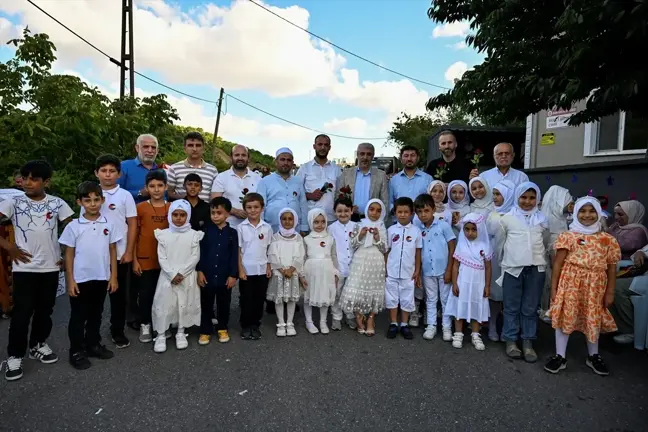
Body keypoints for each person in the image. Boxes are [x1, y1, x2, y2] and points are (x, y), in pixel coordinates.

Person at [0, 160, 74, 381]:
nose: (28, 183)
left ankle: (38, 344)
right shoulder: (14, 202)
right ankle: (14, 355)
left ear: (46, 182)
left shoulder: (57, 203)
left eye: (34, 179)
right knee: (22, 313)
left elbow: (73, 228)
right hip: (25, 268)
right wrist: (9, 246)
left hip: (50, 267)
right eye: (25, 178)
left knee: (45, 310)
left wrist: (64, 253)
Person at [545, 197, 621, 376]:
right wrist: (554, 288)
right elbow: (558, 264)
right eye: (583, 211)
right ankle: (560, 355)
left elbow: (611, 268)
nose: (587, 215)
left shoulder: (607, 240)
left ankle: (593, 356)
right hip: (570, 284)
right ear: (576, 213)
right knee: (566, 316)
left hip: (595, 287)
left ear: (599, 212)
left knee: (592, 318)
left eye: (592, 211)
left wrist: (610, 291)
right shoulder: (568, 236)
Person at [59, 182, 120, 369]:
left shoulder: (109, 224)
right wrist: (70, 280)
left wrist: (113, 276)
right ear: (79, 202)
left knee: (96, 313)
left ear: (102, 200)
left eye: (96, 199)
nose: (92, 204)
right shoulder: (74, 226)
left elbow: (112, 250)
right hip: (80, 279)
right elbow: (68, 254)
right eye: (88, 200)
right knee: (78, 316)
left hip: (101, 277)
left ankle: (93, 343)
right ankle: (76, 350)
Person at [496, 181, 548, 363]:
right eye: (523, 197)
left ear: (538, 199)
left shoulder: (542, 220)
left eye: (532, 198)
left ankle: (528, 342)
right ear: (517, 197)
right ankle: (511, 340)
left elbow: (547, 244)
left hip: (536, 269)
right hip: (513, 268)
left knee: (530, 308)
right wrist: (505, 264)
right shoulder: (507, 219)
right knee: (511, 307)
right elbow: (500, 245)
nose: (527, 201)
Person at [91, 154, 137, 349]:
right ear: (96, 173)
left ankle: (117, 331)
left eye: (112, 171)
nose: (107, 175)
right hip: (96, 255)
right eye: (103, 171)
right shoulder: (90, 194)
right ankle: (92, 335)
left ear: (118, 174)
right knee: (95, 298)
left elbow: (132, 224)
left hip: (119, 254)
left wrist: (128, 251)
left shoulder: (124, 195)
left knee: (118, 297)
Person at [151, 200, 204, 353]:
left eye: (182, 215)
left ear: (188, 217)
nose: (179, 218)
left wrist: (182, 272)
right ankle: (161, 334)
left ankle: (181, 332)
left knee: (184, 303)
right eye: (175, 215)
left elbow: (195, 256)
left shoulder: (194, 235)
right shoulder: (163, 235)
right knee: (165, 303)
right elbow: (162, 257)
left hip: (186, 276)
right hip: (168, 276)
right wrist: (172, 274)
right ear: (170, 215)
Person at [338, 199, 387, 336]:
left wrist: (377, 237)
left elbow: (384, 248)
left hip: (376, 260)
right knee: (357, 286)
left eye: (378, 210)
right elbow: (353, 244)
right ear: (367, 210)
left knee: (373, 288)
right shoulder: (359, 225)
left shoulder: (382, 226)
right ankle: (359, 315)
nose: (375, 213)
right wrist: (361, 234)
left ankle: (371, 318)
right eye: (372, 209)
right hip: (360, 260)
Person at [133, 170, 171, 344]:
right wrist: (134, 260)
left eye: (160, 186)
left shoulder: (172, 208)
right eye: (152, 186)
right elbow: (133, 235)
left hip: (166, 261)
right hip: (145, 259)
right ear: (146, 188)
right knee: (146, 294)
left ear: (166, 187)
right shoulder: (140, 208)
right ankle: (145, 324)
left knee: (164, 294)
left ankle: (162, 325)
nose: (156, 189)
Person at [445, 213, 492, 350]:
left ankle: (475, 334)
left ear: (480, 229)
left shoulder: (485, 246)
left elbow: (488, 268)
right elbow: (455, 266)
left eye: (474, 229)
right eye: (467, 229)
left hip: (478, 283)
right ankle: (458, 333)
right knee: (460, 305)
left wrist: (487, 286)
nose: (470, 233)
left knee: (477, 306)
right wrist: (454, 283)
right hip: (463, 282)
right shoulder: (461, 244)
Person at [413, 194, 456, 341]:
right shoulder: (417, 229)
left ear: (433, 209)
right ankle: (431, 325)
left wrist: (450, 269)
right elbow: (417, 251)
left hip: (443, 269)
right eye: (419, 212)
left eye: (426, 210)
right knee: (431, 299)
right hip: (427, 270)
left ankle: (446, 327)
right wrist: (418, 272)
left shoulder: (443, 225)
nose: (423, 215)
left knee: (445, 299)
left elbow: (452, 247)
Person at [197, 197, 239, 345]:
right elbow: (199, 252)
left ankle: (222, 327)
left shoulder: (233, 233)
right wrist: (199, 271)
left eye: (219, 213)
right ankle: (205, 330)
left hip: (224, 275)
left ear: (227, 214)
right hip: (207, 274)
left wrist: (233, 275)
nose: (215, 216)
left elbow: (235, 255)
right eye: (212, 212)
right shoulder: (204, 231)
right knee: (206, 303)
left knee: (224, 303)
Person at [237, 193, 273, 340]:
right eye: (249, 207)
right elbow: (239, 251)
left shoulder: (267, 228)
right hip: (246, 270)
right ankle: (245, 326)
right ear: (244, 209)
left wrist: (269, 267)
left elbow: (269, 250)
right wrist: (240, 270)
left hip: (262, 269)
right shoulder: (241, 227)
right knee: (246, 299)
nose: (253, 210)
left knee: (259, 299)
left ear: (262, 208)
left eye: (256, 207)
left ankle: (255, 325)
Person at [385, 197, 422, 340]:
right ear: (395, 212)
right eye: (399, 211)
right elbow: (386, 250)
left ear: (412, 213)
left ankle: (404, 324)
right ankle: (393, 323)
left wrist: (417, 270)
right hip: (392, 271)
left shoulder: (416, 231)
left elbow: (418, 252)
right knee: (392, 297)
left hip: (408, 272)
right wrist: (386, 268)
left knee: (407, 298)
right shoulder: (391, 230)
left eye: (406, 212)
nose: (402, 214)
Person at [267, 208, 305, 337]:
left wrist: (292, 269)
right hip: (279, 273)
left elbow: (300, 256)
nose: (287, 221)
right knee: (279, 299)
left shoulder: (298, 238)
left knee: (291, 299)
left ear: (295, 220)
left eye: (290, 219)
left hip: (292, 273)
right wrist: (282, 270)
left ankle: (290, 322)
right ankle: (281, 323)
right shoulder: (275, 237)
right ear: (280, 220)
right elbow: (272, 255)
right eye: (284, 219)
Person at [486, 179, 515, 342]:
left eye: (499, 194)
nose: (495, 198)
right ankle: (492, 326)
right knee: (495, 294)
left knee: (509, 296)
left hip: (511, 259)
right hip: (495, 258)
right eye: (494, 194)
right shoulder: (492, 214)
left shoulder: (515, 215)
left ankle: (506, 328)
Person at [539, 185, 574, 322]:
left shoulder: (543, 223)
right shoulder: (558, 233)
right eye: (567, 200)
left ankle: (547, 308)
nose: (570, 204)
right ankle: (554, 309)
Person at [301, 209, 339, 335]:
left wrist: (336, 272)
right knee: (308, 295)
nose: (320, 225)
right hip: (310, 270)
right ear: (311, 222)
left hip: (327, 270)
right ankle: (309, 321)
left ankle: (323, 321)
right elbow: (303, 257)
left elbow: (334, 256)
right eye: (316, 222)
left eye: (323, 222)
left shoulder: (330, 239)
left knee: (325, 295)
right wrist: (301, 274)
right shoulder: (306, 239)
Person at [257, 148, 308, 234]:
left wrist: (304, 227)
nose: (285, 163)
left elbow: (303, 204)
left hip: (295, 230)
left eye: (289, 160)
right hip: (271, 229)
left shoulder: (298, 181)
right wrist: (261, 227)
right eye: (282, 159)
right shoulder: (265, 181)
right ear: (276, 161)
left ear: (292, 163)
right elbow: (260, 206)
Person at [210, 144, 262, 228]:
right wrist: (234, 211)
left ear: (248, 158)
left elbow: (262, 202)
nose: (240, 158)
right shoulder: (221, 177)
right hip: (228, 228)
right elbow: (215, 201)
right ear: (231, 157)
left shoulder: (258, 179)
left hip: (252, 228)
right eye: (237, 155)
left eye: (243, 155)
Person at [336, 143, 389, 222]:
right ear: (357, 155)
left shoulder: (381, 175)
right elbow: (338, 196)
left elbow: (385, 202)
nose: (365, 157)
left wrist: (380, 222)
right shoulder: (346, 174)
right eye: (362, 154)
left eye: (369, 154)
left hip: (372, 220)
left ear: (373, 156)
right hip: (350, 219)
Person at [328, 198, 360, 331]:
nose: (343, 214)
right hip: (338, 266)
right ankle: (336, 317)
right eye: (339, 211)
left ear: (351, 211)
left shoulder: (357, 227)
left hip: (353, 266)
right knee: (336, 293)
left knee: (350, 293)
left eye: (346, 211)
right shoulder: (331, 228)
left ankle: (350, 315)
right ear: (334, 212)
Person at [297, 134, 341, 224]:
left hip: (331, 219)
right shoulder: (305, 168)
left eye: (326, 145)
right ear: (314, 146)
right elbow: (295, 192)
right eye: (320, 144)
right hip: (311, 219)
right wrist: (309, 195)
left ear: (329, 147)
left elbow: (340, 193)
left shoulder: (336, 169)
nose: (323, 147)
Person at [167, 131, 219, 202]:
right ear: (185, 149)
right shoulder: (174, 168)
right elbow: (169, 193)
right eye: (191, 145)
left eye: (198, 145)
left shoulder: (213, 170)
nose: (194, 149)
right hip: (182, 211)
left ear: (203, 148)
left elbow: (215, 195)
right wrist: (187, 197)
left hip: (204, 212)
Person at [118, 134, 160, 203]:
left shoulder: (161, 171)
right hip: (130, 212)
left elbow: (165, 196)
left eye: (153, 147)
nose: (150, 150)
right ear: (137, 148)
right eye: (146, 147)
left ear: (157, 151)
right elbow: (115, 192)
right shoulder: (124, 166)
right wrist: (139, 193)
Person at [389, 146, 433, 212]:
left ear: (418, 158)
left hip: (421, 220)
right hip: (400, 220)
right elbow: (389, 202)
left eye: (412, 155)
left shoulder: (428, 179)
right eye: (406, 156)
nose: (409, 159)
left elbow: (432, 202)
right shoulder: (393, 180)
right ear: (401, 159)